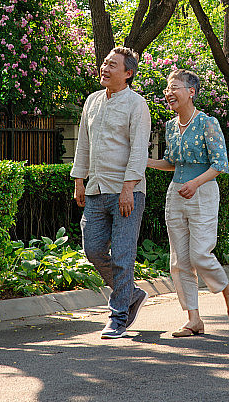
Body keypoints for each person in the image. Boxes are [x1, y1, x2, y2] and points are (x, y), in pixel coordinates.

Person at [147, 68, 229, 336]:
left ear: (191, 92)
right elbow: (171, 162)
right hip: (176, 194)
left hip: (202, 193)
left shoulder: (207, 123)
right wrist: (145, 162)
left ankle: (227, 289)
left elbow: (220, 164)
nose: (169, 93)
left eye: (174, 87)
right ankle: (193, 319)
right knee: (179, 261)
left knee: (200, 254)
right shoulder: (170, 127)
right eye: (167, 88)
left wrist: (195, 183)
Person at [71, 46, 151, 339]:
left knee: (122, 254)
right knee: (93, 249)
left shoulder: (137, 104)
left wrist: (129, 188)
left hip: (126, 192)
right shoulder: (92, 101)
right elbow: (83, 144)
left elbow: (139, 149)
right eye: (105, 63)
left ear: (128, 74)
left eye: (112, 65)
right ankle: (131, 294)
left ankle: (118, 317)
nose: (105, 68)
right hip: (95, 188)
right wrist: (79, 180)